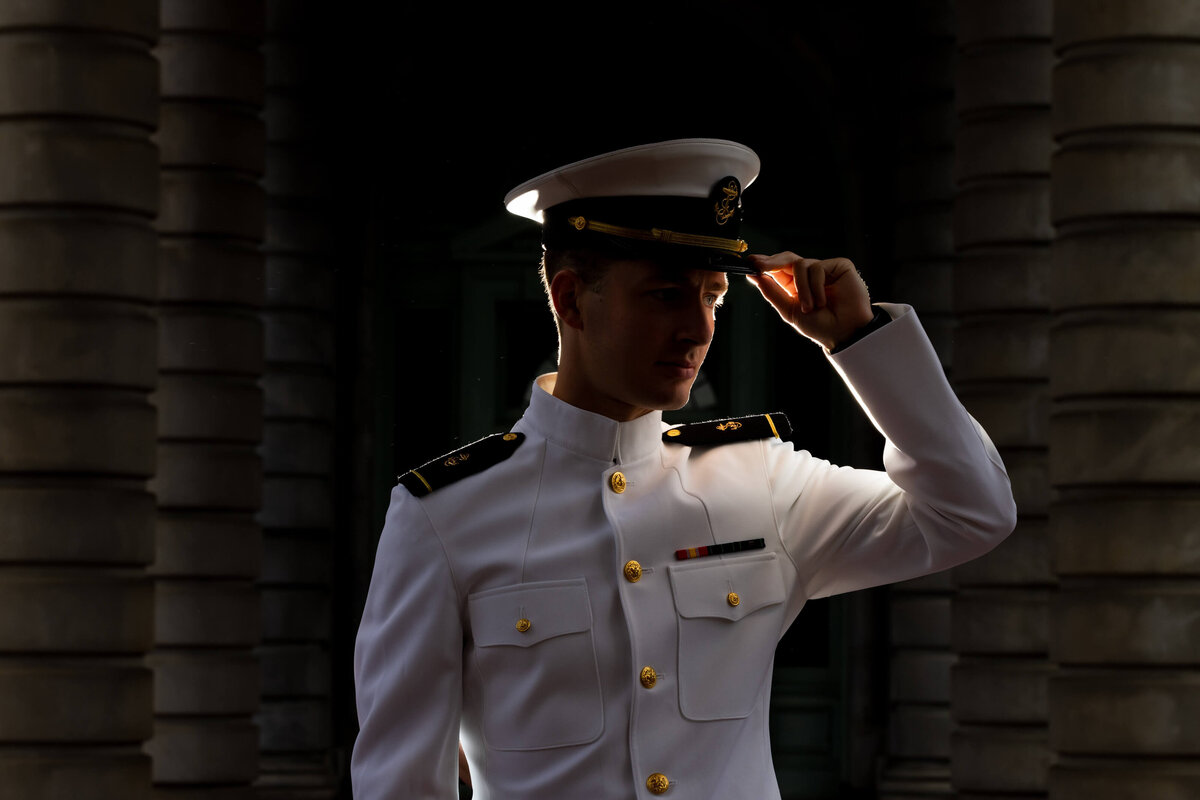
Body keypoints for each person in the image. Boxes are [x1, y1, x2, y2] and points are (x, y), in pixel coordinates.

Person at [351, 139, 1016, 800]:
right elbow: (399, 782)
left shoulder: (763, 481)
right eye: (666, 295)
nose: (698, 329)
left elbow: (971, 513)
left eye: (714, 298)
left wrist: (861, 340)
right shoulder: (441, 515)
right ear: (571, 300)